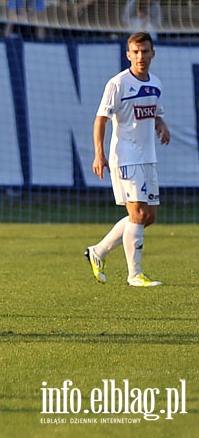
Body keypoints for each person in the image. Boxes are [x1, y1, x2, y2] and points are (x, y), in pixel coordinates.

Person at [85, 32, 170, 288]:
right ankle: (135, 275)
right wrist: (99, 153)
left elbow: (155, 111)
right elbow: (100, 120)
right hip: (126, 156)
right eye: (135, 52)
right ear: (128, 55)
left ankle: (98, 251)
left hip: (148, 157)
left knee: (148, 217)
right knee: (138, 212)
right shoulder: (117, 84)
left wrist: (161, 124)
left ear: (153, 53)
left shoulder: (155, 83)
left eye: (145, 51)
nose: (140, 56)